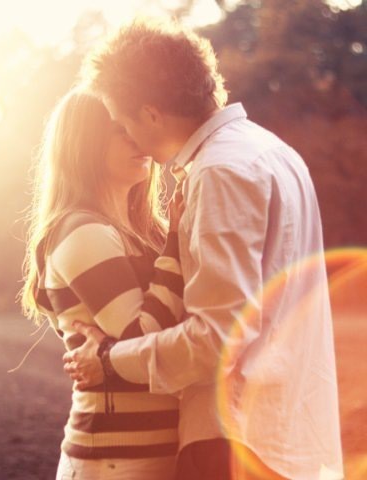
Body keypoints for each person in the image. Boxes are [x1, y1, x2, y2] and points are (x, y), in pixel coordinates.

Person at [64, 18, 344, 480]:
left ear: (151, 114)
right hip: (288, 435)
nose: (128, 136)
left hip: (233, 440)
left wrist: (109, 360)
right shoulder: (275, 152)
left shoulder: (218, 172)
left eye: (123, 122)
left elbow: (217, 339)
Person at [20, 88, 186, 480]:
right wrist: (178, 238)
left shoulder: (147, 232)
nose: (137, 138)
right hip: (114, 462)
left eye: (137, 125)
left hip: (161, 453)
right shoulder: (82, 231)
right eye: (119, 130)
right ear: (83, 144)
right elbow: (143, 339)